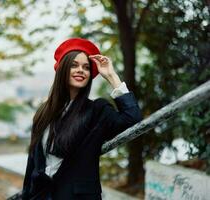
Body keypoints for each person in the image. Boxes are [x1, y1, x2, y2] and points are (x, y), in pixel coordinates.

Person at [21, 38, 142, 200]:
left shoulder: (97, 110)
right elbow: (32, 165)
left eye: (86, 67)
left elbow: (132, 119)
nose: (81, 70)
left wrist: (112, 76)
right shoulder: (44, 112)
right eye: (74, 65)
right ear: (63, 69)